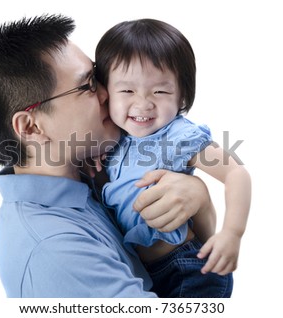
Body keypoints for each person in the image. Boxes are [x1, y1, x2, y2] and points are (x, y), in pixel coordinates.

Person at [0, 14, 218, 297]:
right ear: (31, 126)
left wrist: (199, 198)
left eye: (97, 75)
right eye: (88, 85)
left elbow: (188, 264)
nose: (109, 93)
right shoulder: (56, 250)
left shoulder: (91, 174)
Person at [95, 19, 251, 297]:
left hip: (186, 268)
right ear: (105, 93)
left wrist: (232, 233)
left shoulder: (179, 136)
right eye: (127, 91)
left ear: (182, 97)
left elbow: (236, 173)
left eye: (160, 91)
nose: (143, 103)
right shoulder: (114, 139)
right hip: (143, 273)